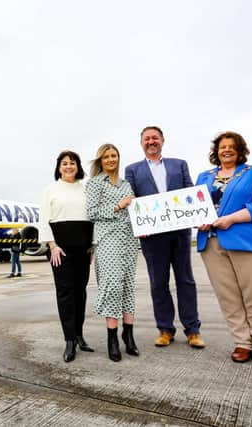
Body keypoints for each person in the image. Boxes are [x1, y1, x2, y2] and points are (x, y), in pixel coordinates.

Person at [196, 131, 252, 366]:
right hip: (211, 242)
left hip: (247, 241)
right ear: (216, 151)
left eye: (232, 146)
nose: (226, 150)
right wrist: (197, 220)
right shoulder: (204, 176)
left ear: (240, 150)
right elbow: (194, 206)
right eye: (222, 147)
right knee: (228, 297)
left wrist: (232, 218)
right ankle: (242, 342)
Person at [125, 126, 205, 349]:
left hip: (179, 233)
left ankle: (193, 330)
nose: (151, 141)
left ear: (162, 141)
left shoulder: (179, 164)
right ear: (141, 143)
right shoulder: (132, 170)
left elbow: (190, 192)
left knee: (186, 281)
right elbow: (131, 200)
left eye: (155, 138)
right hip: (152, 237)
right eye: (147, 139)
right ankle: (165, 329)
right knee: (158, 284)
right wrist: (139, 225)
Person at [39, 150, 94, 363]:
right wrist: (52, 246)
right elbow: (44, 220)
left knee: (80, 292)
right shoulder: (50, 190)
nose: (69, 166)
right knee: (65, 293)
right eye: (64, 163)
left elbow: (92, 218)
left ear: (78, 166)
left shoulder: (86, 189)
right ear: (59, 167)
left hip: (83, 249)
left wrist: (91, 246)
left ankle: (79, 335)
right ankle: (69, 340)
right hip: (60, 250)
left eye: (72, 163)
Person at [86, 144, 140, 362]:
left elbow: (133, 211)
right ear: (100, 160)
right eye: (106, 156)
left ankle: (129, 333)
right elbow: (91, 213)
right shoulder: (95, 183)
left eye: (114, 156)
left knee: (128, 285)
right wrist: (118, 206)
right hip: (107, 239)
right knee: (112, 286)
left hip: (128, 239)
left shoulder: (126, 184)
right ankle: (112, 338)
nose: (111, 160)